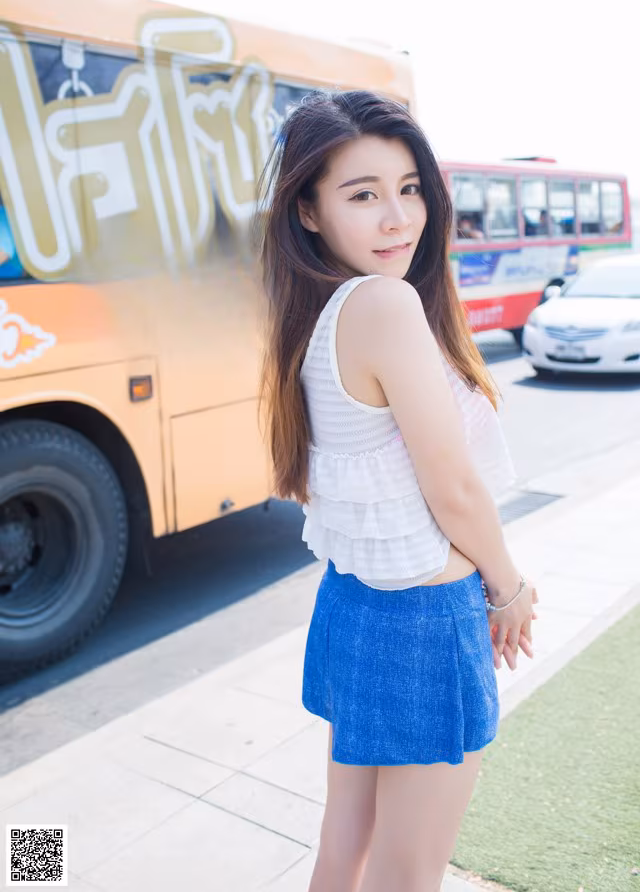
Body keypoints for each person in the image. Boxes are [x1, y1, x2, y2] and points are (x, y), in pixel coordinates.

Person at [253, 89, 538, 892]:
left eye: (409, 188)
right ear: (308, 211)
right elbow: (452, 488)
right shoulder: (383, 303)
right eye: (363, 194)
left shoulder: (313, 310)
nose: (398, 219)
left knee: (345, 850)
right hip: (422, 621)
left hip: (357, 604)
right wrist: (509, 590)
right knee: (408, 875)